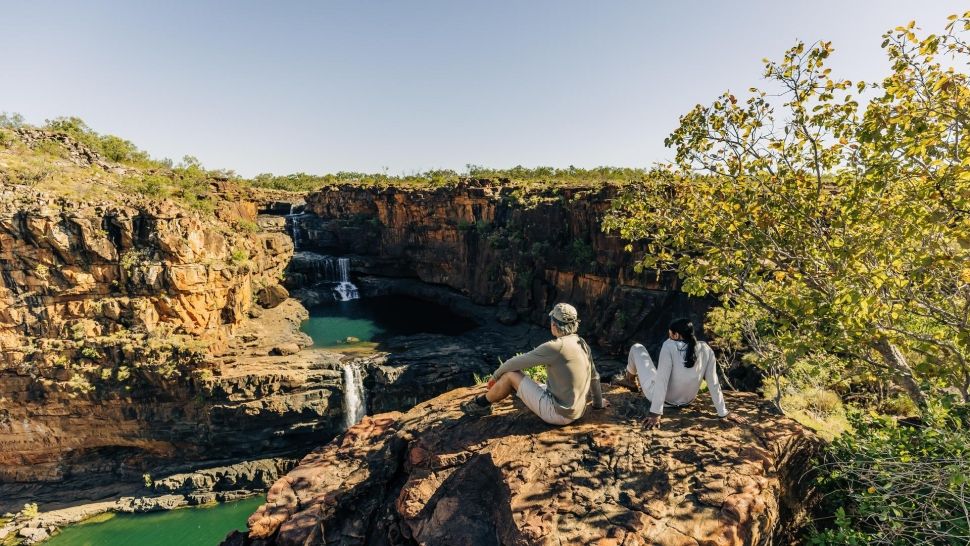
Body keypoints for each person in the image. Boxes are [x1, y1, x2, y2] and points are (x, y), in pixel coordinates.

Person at [462, 303, 608, 424]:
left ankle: (480, 405)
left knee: (511, 375)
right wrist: (598, 403)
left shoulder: (555, 347)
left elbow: (514, 363)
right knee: (529, 380)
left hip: (558, 414)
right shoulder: (581, 343)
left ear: (554, 325)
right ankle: (502, 394)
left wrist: (495, 377)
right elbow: (594, 377)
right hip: (577, 411)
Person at [624, 318, 730, 429]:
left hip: (665, 400)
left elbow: (662, 381)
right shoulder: (705, 348)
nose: (669, 337)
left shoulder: (669, 345)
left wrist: (655, 413)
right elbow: (713, 382)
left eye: (670, 334)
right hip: (687, 400)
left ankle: (629, 380)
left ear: (676, 335)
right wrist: (723, 412)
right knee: (657, 373)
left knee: (637, 348)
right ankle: (630, 381)